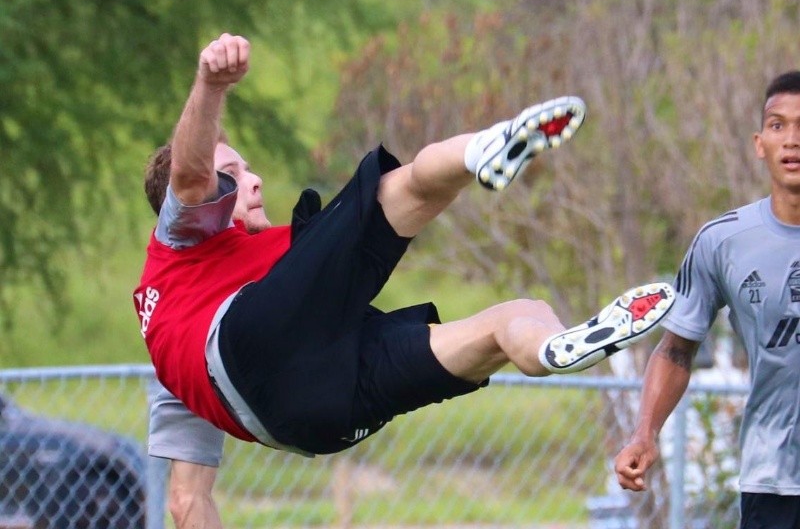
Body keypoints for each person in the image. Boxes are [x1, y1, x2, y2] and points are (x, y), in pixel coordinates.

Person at [135, 32, 675, 529]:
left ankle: (556, 344)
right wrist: (210, 86)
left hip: (311, 418)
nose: (251, 181)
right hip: (255, 341)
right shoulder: (182, 240)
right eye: (231, 175)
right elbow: (190, 175)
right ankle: (482, 150)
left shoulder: (175, 363)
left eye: (246, 169)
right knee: (406, 187)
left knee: (506, 323)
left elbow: (188, 501)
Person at [614, 70, 800, 529]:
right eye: (778, 125)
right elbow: (677, 348)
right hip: (773, 479)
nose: (792, 140)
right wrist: (645, 433)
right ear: (760, 143)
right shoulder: (723, 241)